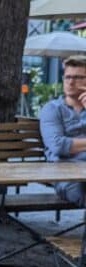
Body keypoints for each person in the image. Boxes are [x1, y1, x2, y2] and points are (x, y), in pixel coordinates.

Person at [40, 55, 86, 207]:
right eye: (67, 77)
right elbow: (58, 145)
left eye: (78, 77)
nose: (71, 82)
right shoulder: (52, 109)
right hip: (66, 174)